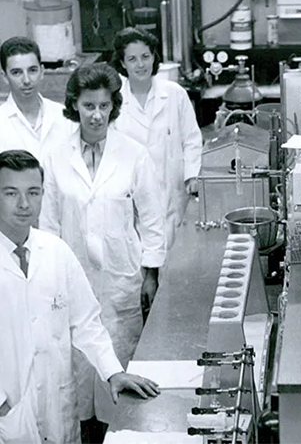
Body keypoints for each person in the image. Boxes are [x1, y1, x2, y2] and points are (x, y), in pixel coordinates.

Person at [38, 63, 166, 443]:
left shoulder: (133, 154)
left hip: (121, 282)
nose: (97, 115)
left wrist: (151, 273)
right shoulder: (55, 156)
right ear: (74, 105)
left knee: (121, 376)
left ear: (114, 107)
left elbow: (152, 219)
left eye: (104, 106)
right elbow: (47, 225)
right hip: (70, 279)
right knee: (78, 377)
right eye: (88, 106)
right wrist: (48, 281)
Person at [0, 149, 159, 444]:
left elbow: (87, 323)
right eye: (11, 193)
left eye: (33, 192)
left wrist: (113, 371)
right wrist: (3, 407)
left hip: (58, 412)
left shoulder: (56, 251)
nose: (24, 204)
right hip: (7, 417)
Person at [111, 27, 202, 252]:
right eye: (132, 59)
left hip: (173, 196)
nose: (140, 64)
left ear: (154, 57)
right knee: (138, 256)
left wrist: (192, 175)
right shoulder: (114, 101)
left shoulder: (174, 94)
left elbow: (191, 138)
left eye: (145, 56)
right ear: (122, 63)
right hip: (131, 200)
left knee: (175, 256)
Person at [0, 37, 71, 159]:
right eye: (16, 72)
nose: (26, 80)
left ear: (42, 71)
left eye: (32, 70)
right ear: (5, 77)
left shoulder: (63, 116)